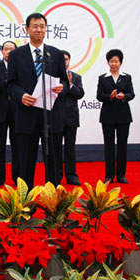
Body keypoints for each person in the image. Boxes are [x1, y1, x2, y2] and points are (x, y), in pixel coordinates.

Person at [7, 12, 68, 189]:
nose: (39, 30)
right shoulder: (17, 55)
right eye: (35, 26)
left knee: (54, 162)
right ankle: (27, 206)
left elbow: (64, 80)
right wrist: (20, 96)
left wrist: (62, 87)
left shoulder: (55, 54)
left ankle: (54, 206)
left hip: (51, 116)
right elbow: (11, 84)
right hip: (26, 115)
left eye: (42, 27)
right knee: (25, 163)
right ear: (27, 29)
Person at [96, 49, 134, 183]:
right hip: (108, 116)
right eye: (111, 61)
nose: (114, 64)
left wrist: (124, 96)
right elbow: (99, 96)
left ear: (121, 63)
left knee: (122, 145)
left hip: (124, 116)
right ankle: (109, 175)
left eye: (116, 61)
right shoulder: (103, 78)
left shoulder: (126, 77)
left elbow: (131, 94)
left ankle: (121, 175)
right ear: (108, 62)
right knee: (109, 146)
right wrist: (110, 96)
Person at [0, 40, 18, 187]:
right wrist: (7, 82)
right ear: (2, 51)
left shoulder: (21, 68)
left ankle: (17, 176)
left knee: (17, 145)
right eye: (6, 49)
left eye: (11, 49)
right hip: (0, 111)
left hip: (17, 112)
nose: (8, 52)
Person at [56, 50, 85, 185]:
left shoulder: (76, 77)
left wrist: (71, 85)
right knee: (56, 148)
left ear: (69, 61)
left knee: (70, 148)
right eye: (62, 59)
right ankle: (56, 176)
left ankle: (71, 176)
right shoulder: (53, 77)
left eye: (66, 59)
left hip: (71, 117)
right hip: (56, 117)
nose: (64, 61)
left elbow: (80, 94)